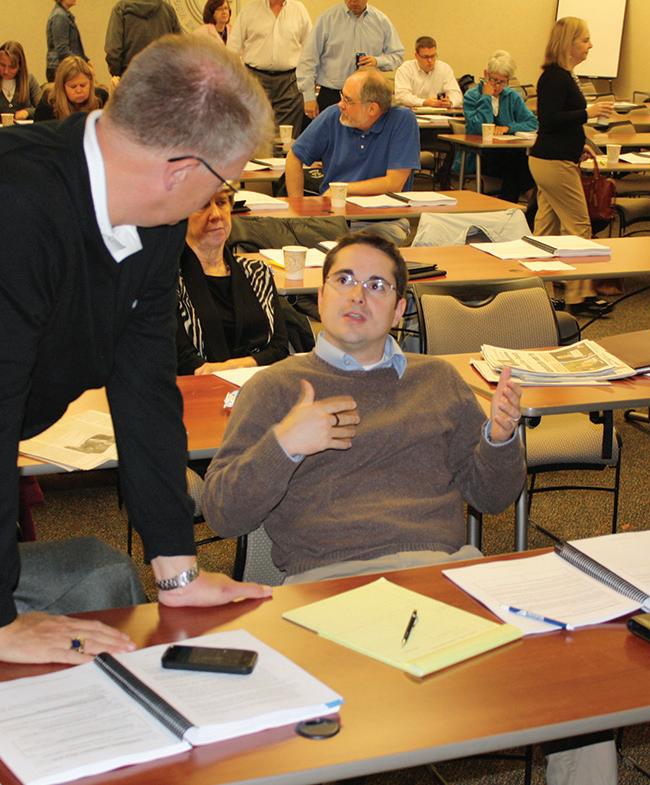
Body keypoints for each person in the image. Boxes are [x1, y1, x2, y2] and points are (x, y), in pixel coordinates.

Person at [0, 34, 274, 666]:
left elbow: (146, 388)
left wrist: (178, 572)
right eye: (222, 183)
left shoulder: (156, 223)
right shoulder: (17, 204)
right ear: (179, 170)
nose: (216, 203)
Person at [201, 232, 526, 583]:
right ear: (321, 297)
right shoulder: (274, 387)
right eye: (344, 280)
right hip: (332, 579)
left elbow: (492, 498)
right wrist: (285, 445)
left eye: (376, 286)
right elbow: (223, 515)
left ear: (398, 309)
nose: (357, 296)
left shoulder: (438, 379)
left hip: (439, 570)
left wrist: (499, 439)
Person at [528, 18, 613, 316]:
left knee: (546, 229)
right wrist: (589, 112)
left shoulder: (563, 76)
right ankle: (579, 295)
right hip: (554, 163)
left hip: (552, 159)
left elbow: (562, 121)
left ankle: (538, 291)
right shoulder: (554, 77)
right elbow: (549, 119)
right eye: (585, 40)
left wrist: (580, 144)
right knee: (579, 226)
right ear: (569, 43)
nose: (590, 45)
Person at [285, 69, 419, 244]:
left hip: (383, 220)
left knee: (368, 245)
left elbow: (394, 183)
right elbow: (294, 156)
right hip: (333, 217)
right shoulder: (333, 116)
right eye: (342, 96)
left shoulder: (402, 120)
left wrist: (342, 189)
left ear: (372, 108)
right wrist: (297, 208)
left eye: (348, 100)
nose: (340, 104)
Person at [176, 187, 289, 375]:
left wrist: (229, 368)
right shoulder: (168, 282)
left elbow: (279, 348)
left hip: (257, 382)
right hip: (200, 387)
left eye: (221, 203)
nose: (215, 215)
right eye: (203, 205)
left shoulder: (257, 273)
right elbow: (181, 359)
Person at [296, 0, 404, 121]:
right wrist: (309, 97)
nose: (353, 2)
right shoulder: (327, 19)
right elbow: (308, 59)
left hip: (368, 97)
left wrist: (377, 61)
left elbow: (397, 55)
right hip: (332, 96)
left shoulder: (381, 21)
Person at [461, 50, 538, 203]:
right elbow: (478, 128)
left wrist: (509, 128)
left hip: (507, 154)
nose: (496, 86)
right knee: (517, 162)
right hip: (480, 156)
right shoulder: (472, 96)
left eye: (501, 82)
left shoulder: (512, 97)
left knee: (518, 160)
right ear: (486, 74)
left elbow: (533, 123)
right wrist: (486, 97)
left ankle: (510, 205)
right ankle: (528, 202)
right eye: (493, 80)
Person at [229, 0, 311, 132]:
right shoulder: (249, 11)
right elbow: (232, 49)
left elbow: (309, 50)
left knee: (286, 136)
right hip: (255, 79)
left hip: (289, 82)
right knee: (254, 132)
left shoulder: (299, 10)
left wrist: (307, 89)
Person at [104, 0, 181, 82]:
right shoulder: (168, 10)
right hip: (164, 76)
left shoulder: (120, 9)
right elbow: (180, 48)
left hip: (131, 78)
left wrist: (117, 75)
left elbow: (113, 51)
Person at [394, 36, 463, 109]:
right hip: (412, 112)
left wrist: (450, 102)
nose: (430, 60)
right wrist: (424, 102)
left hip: (440, 113)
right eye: (426, 57)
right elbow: (401, 96)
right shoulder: (405, 69)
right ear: (416, 56)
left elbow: (457, 95)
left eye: (433, 56)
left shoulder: (444, 68)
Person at [34, 56, 108, 122]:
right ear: (62, 87)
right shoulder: (48, 104)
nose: (79, 90)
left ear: (90, 83)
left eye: (83, 85)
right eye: (73, 87)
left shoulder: (101, 98)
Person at [46, 0, 87, 83]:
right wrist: (81, 65)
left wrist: (86, 61)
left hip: (63, 67)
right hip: (61, 69)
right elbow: (62, 49)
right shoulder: (60, 16)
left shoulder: (63, 15)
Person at [0, 41, 42, 121]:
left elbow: (43, 109)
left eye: (12, 67)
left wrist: (27, 112)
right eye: (2, 65)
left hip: (24, 128)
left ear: (20, 66)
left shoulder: (29, 80)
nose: (6, 71)